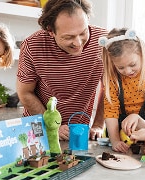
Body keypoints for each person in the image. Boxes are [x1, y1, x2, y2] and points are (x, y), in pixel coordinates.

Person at [17, 0, 107, 141]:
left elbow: (110, 87)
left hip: (77, 129)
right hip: (39, 126)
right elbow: (25, 92)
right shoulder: (32, 45)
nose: (78, 43)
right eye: (69, 37)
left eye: (83, 32)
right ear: (50, 31)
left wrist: (98, 125)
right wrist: (51, 125)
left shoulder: (103, 42)